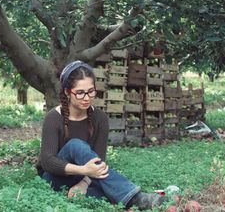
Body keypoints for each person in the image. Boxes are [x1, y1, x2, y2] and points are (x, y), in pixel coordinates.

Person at [36, 60, 166, 210]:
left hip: (85, 177)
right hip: (54, 178)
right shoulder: (53, 118)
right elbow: (47, 162)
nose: (86, 98)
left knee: (105, 194)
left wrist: (83, 183)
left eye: (91, 91)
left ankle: (129, 199)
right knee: (75, 145)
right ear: (67, 92)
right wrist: (83, 170)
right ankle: (136, 198)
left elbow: (98, 160)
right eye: (79, 93)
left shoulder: (100, 118)